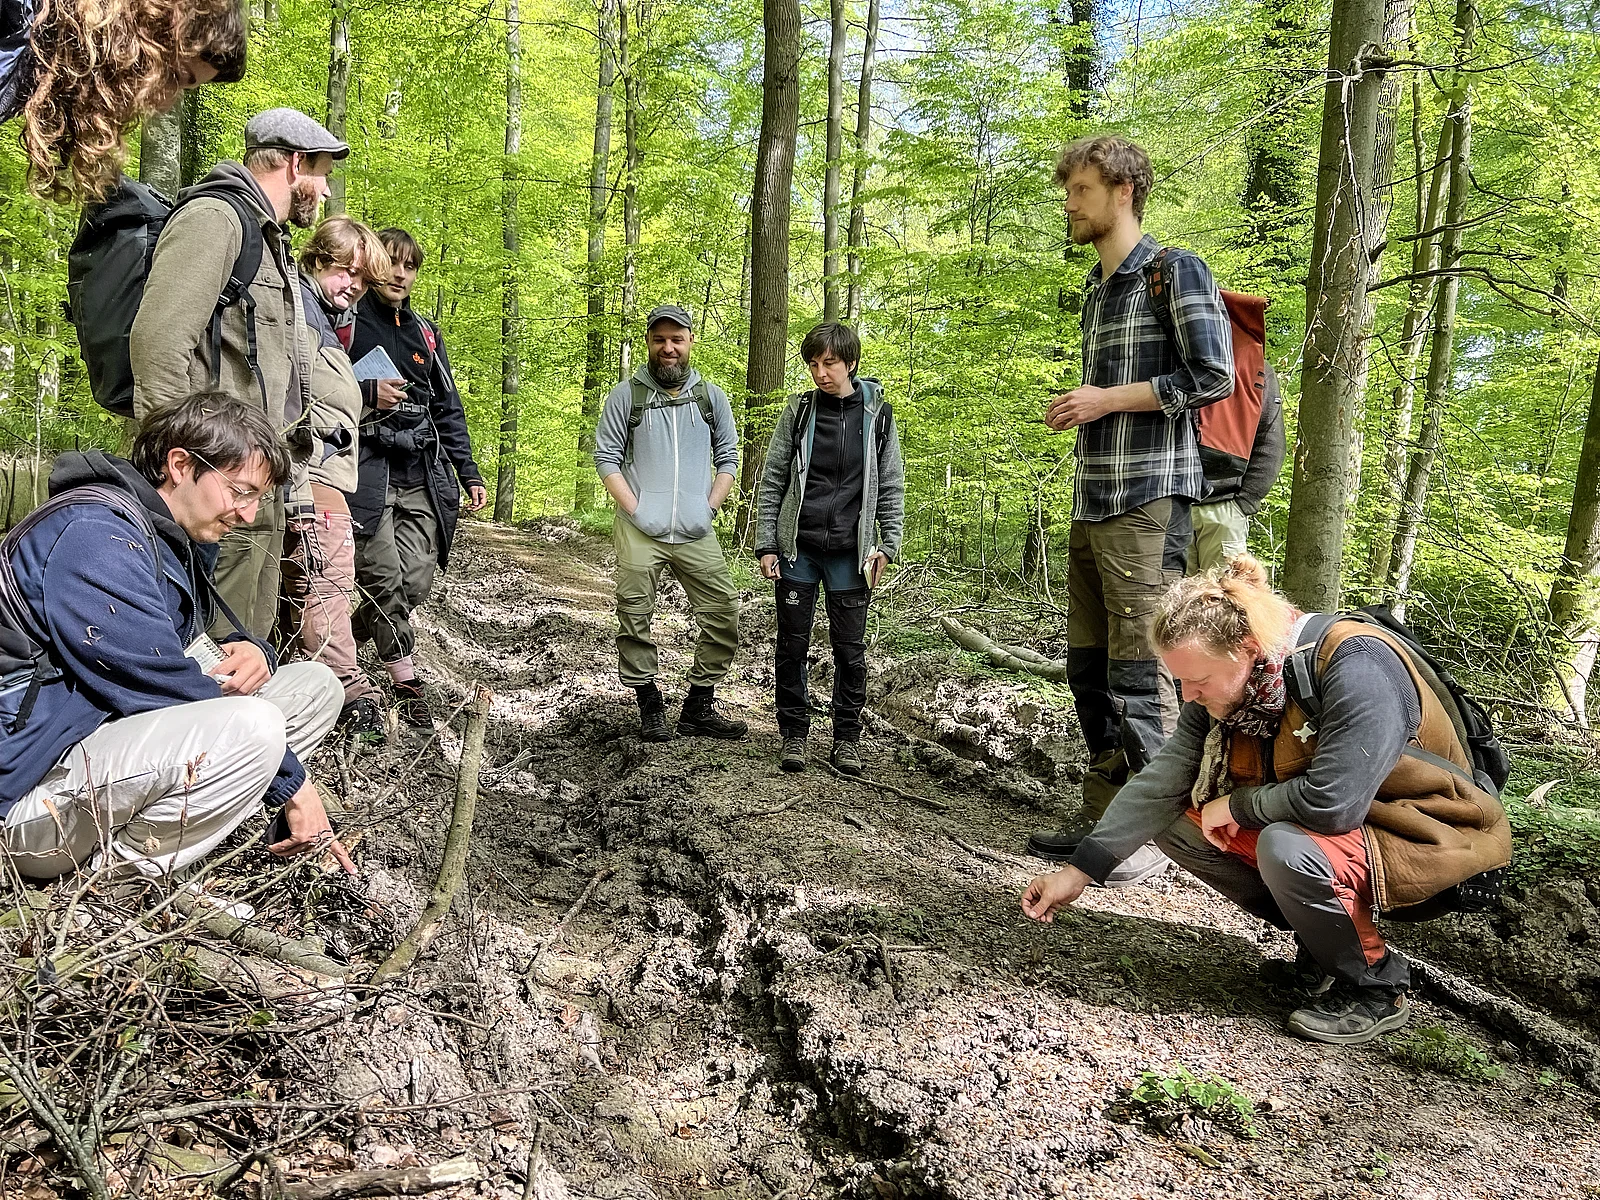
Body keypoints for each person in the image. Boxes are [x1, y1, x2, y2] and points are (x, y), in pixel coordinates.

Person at [1021, 557, 1512, 1044]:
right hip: (1345, 832)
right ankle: (1324, 948)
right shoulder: (1231, 688)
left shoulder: (1356, 663)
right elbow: (1162, 782)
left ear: (1249, 649)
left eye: (1199, 681)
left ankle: (1375, 983)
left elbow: (1333, 802)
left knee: (1285, 846)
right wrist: (1080, 871)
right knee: (1175, 821)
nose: (1189, 696)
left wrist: (1237, 807)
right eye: (1180, 682)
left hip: (1433, 832)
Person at [0, 392, 354, 881]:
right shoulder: (94, 535)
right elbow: (165, 686)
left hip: (89, 748)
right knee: (254, 730)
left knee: (315, 685)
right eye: (240, 491)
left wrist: (258, 652)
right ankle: (107, 888)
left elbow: (189, 647)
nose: (249, 514)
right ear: (181, 465)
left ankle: (203, 833)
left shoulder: (166, 537)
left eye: (257, 498)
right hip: (24, 799)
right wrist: (295, 785)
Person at [1027, 134, 1234, 884]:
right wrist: (1087, 412)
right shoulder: (1096, 286)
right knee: (1088, 669)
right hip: (1093, 499)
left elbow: (1214, 375)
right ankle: (1105, 821)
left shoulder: (1173, 272)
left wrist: (1107, 399)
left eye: (1080, 190)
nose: (1069, 204)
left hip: (1149, 500)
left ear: (1121, 191)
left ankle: (1152, 843)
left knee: (1141, 675)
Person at [130, 107, 348, 643]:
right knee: (199, 641)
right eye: (320, 176)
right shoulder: (216, 220)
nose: (322, 194)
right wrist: (173, 473)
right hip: (209, 486)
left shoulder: (268, 242)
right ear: (296, 165)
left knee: (245, 639)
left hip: (255, 485)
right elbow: (157, 342)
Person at [346, 227, 487, 727]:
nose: (401, 273)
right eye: (393, 262)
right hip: (365, 470)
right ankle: (405, 679)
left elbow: (449, 407)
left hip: (422, 471)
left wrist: (466, 470)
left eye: (411, 266)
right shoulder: (344, 321)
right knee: (382, 575)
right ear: (373, 264)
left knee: (414, 582)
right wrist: (366, 393)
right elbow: (313, 387)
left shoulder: (426, 333)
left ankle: (336, 640)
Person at [755, 321, 904, 776]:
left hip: (850, 554)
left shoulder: (877, 414)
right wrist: (766, 544)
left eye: (829, 363)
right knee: (792, 645)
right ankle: (794, 735)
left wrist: (887, 546)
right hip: (798, 550)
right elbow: (774, 479)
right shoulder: (799, 412)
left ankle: (846, 740)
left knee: (849, 651)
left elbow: (891, 485)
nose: (820, 373)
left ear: (851, 363)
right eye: (813, 364)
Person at [592, 303, 745, 742]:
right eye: (660, 339)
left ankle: (698, 706)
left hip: (696, 529)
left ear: (691, 341)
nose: (669, 348)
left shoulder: (711, 398)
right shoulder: (628, 396)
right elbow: (606, 457)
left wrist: (709, 507)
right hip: (640, 527)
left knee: (723, 612)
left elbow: (728, 458)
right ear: (649, 343)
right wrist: (636, 508)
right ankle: (649, 703)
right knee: (634, 613)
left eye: (677, 339)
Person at [284, 216, 393, 743]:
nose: (353, 285)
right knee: (326, 583)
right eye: (344, 271)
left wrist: (364, 398)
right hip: (309, 480)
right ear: (316, 259)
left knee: (322, 583)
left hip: (323, 478)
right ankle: (343, 689)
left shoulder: (323, 318)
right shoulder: (300, 315)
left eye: (363, 279)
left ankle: (325, 685)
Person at [1, 0, 246, 203]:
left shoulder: (40, 57)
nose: (163, 104)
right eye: (173, 76)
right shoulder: (19, 14)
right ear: (151, 22)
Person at [1189, 350, 1284, 571]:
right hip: (1171, 504)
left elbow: (1271, 441)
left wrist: (1244, 502)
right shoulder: (1173, 359)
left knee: (1223, 597)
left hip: (1225, 508)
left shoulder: (1255, 367)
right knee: (1171, 598)